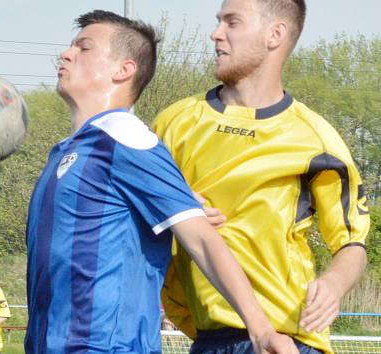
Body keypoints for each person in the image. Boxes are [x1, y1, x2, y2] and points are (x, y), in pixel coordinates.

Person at [25, 9, 299, 354]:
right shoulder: (66, 152)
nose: (67, 54)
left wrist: (260, 331)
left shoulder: (125, 137)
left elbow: (201, 238)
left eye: (85, 48)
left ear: (123, 70)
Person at [152, 0, 370, 353]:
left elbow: (351, 244)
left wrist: (333, 284)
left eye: (232, 22)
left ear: (275, 34)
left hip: (285, 340)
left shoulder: (316, 140)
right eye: (218, 21)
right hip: (204, 339)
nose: (216, 33)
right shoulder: (174, 123)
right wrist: (173, 209)